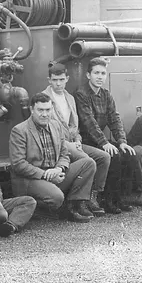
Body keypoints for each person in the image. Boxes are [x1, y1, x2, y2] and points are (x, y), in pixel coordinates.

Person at [9, 93, 96, 223]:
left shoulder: (56, 126)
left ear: (52, 109)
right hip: (31, 179)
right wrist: (45, 174)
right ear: (32, 110)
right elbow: (18, 164)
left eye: (48, 110)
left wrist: (59, 169)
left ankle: (73, 206)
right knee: (56, 197)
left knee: (88, 163)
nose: (45, 114)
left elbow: (64, 153)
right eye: (40, 110)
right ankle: (39, 209)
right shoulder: (20, 131)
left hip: (54, 173)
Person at [42, 63, 109, 217]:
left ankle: (92, 197)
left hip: (72, 142)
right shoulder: (44, 99)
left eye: (61, 79)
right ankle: (76, 202)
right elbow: (46, 129)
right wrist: (70, 144)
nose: (58, 83)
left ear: (67, 79)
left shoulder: (69, 98)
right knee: (87, 161)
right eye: (54, 80)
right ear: (49, 80)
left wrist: (78, 139)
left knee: (103, 157)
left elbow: (74, 124)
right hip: (55, 144)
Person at [74, 57, 136, 214]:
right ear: (88, 75)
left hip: (99, 141)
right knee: (113, 157)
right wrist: (104, 143)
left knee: (127, 154)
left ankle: (119, 198)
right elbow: (89, 122)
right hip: (86, 140)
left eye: (103, 73)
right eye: (96, 73)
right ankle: (107, 200)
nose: (100, 77)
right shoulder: (81, 94)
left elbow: (114, 118)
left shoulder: (106, 95)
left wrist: (121, 141)